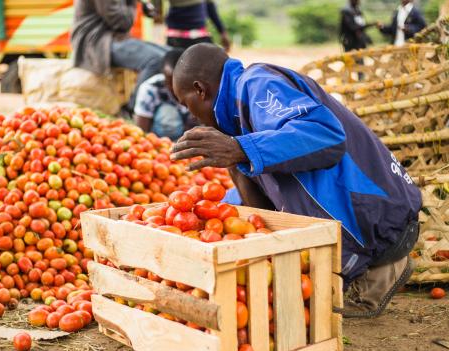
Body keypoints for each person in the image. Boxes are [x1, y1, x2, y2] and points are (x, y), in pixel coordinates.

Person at [170, 44, 422, 318]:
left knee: (311, 314)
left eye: (187, 104)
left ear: (200, 90)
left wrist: (240, 149)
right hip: (364, 224)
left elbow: (326, 136)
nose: (192, 116)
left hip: (382, 226)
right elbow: (260, 209)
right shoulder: (236, 120)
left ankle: (377, 274)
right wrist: (232, 165)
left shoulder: (256, 84)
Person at [71, 0, 168, 113]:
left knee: (169, 55)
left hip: (113, 38)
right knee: (156, 60)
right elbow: (122, 23)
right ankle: (132, 110)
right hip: (97, 42)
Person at [133, 48, 194, 140]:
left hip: (191, 138)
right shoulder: (150, 89)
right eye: (170, 81)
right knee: (167, 113)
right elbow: (141, 130)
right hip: (161, 140)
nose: (174, 86)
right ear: (163, 75)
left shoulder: (198, 87)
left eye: (179, 81)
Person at [164, 0, 230, 51]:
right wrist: (222, 32)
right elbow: (211, 8)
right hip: (196, 35)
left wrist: (222, 31)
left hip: (176, 35)